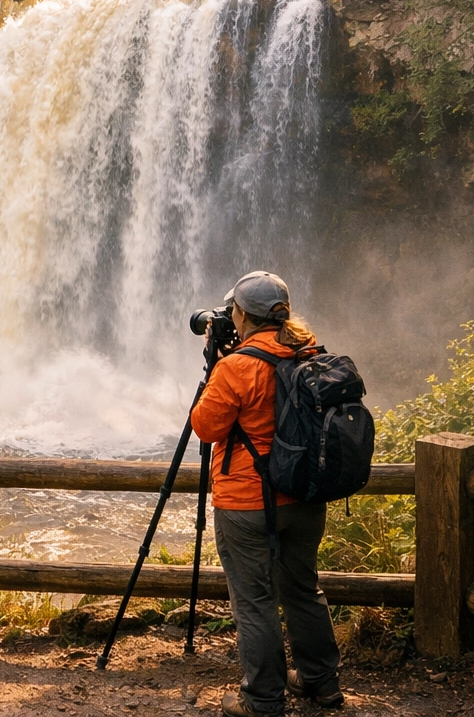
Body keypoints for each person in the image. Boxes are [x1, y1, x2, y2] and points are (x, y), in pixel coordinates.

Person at [190, 270, 343, 717]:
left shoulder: (237, 367)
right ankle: (321, 681)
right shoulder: (309, 351)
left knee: (254, 601)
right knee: (302, 588)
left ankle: (262, 700)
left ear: (241, 314)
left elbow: (206, 427)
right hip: (304, 496)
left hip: (248, 504)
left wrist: (216, 363)